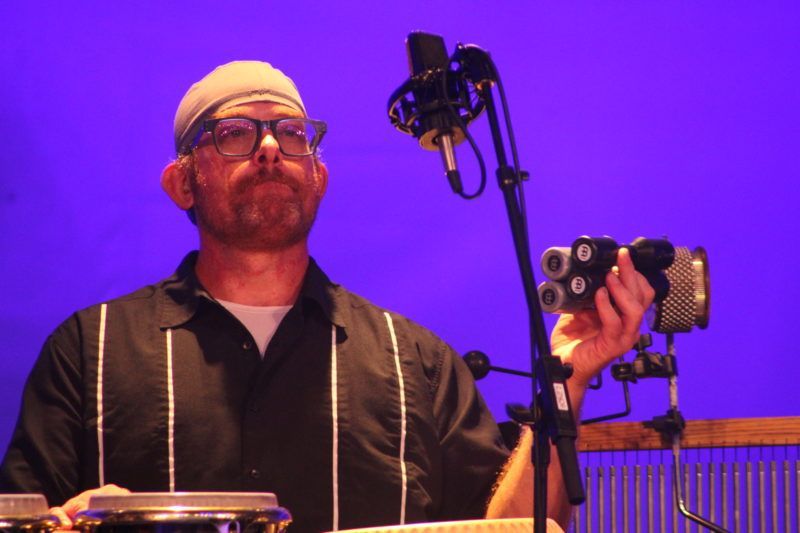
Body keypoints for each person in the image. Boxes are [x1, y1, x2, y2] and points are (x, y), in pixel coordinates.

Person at [0, 61, 653, 532]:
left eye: (290, 133)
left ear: (318, 175)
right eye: (233, 133)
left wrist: (566, 374)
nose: (268, 149)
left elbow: (519, 528)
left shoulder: (414, 362)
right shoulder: (91, 351)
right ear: (182, 183)